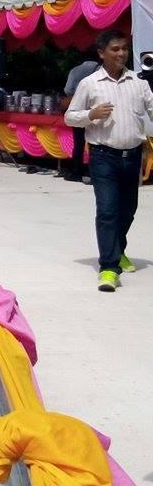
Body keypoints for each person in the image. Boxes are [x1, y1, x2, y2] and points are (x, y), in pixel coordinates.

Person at [64, 29, 153, 292]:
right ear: (101, 53)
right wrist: (91, 115)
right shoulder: (89, 84)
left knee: (127, 211)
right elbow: (69, 116)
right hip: (104, 157)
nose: (121, 53)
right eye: (115, 49)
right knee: (107, 211)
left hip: (133, 155)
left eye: (124, 48)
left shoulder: (138, 82)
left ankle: (118, 250)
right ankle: (109, 268)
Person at [60, 55, 101, 182]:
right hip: (95, 111)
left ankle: (76, 171)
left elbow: (68, 90)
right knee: (95, 143)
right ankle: (94, 173)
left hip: (78, 110)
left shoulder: (75, 70)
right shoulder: (100, 70)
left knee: (79, 143)